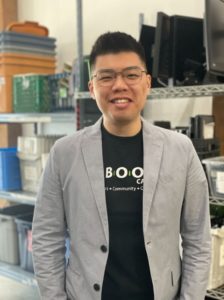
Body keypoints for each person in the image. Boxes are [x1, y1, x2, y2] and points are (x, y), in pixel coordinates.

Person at [32, 31, 211, 300]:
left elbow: (198, 238)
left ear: (147, 83)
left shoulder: (181, 150)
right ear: (92, 88)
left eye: (131, 74)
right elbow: (46, 238)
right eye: (106, 76)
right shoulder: (64, 154)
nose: (119, 85)